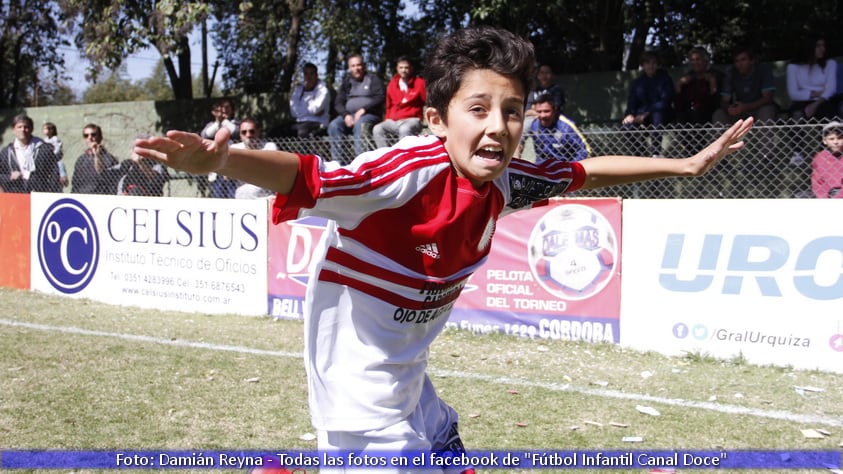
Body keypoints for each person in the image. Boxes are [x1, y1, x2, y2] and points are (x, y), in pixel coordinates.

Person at [134, 25, 753, 474]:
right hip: (360, 403)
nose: (498, 126)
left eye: (512, 111)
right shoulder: (403, 172)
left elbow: (586, 171)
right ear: (436, 119)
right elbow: (310, 175)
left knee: (443, 431)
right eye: (478, 108)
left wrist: (689, 165)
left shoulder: (506, 181)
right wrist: (223, 158)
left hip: (410, 387)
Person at [327, 54, 385, 162]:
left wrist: (364, 109)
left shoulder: (373, 79)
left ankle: (361, 162)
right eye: (353, 66)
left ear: (363, 66)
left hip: (370, 114)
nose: (356, 68)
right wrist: (345, 115)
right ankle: (338, 163)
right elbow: (338, 102)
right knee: (334, 125)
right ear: (349, 68)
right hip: (350, 115)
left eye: (358, 65)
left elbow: (380, 97)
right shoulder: (347, 82)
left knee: (360, 125)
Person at [622, 51, 674, 156]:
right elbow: (632, 101)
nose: (651, 66)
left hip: (662, 114)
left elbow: (665, 101)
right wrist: (630, 114)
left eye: (654, 63)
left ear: (658, 65)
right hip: (641, 114)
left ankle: (656, 153)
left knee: (657, 115)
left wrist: (647, 113)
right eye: (647, 63)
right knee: (627, 127)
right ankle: (642, 155)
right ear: (643, 65)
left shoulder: (665, 79)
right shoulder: (638, 82)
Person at [517, 93, 590, 163]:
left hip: (564, 167)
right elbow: (518, 142)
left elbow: (585, 150)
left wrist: (570, 167)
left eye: (546, 111)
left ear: (555, 110)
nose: (542, 115)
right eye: (539, 112)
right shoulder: (533, 125)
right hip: (542, 167)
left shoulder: (566, 126)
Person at [713, 46, 778, 124]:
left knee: (766, 110)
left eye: (743, 60)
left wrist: (746, 106)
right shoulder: (731, 72)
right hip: (740, 111)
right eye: (737, 61)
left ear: (752, 61)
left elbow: (768, 98)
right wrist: (729, 108)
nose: (740, 64)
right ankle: (718, 136)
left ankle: (764, 136)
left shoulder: (763, 70)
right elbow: (724, 100)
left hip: (760, 108)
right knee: (719, 114)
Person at [373, 56, 426, 149]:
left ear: (411, 68)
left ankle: (404, 157)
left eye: (406, 67)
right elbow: (389, 105)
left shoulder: (420, 83)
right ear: (397, 69)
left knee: (405, 129)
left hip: (412, 120)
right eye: (401, 67)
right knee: (377, 129)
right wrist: (388, 118)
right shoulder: (392, 84)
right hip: (394, 120)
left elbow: (427, 101)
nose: (403, 70)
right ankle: (386, 156)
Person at [0, 114, 62, 193]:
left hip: (38, 194)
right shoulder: (7, 152)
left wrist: (52, 193)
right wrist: (10, 177)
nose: (22, 130)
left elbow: (54, 173)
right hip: (15, 194)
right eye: (19, 127)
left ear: (31, 129)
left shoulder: (44, 149)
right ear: (14, 130)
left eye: (26, 127)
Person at [787, 36, 837, 121]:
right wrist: (815, 93)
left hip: (823, 101)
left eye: (823, 45)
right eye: (818, 46)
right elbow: (793, 94)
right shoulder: (793, 67)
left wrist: (815, 104)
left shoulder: (830, 64)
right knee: (796, 114)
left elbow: (831, 90)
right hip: (802, 102)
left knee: (826, 111)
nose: (822, 48)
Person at [674, 47, 724, 125]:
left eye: (698, 59)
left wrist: (712, 83)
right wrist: (678, 85)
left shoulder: (717, 75)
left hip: (708, 111)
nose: (695, 63)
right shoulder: (688, 77)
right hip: (689, 112)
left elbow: (717, 101)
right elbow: (679, 104)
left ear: (705, 61)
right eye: (692, 60)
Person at [232, 118, 279, 199]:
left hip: (264, 198)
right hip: (241, 197)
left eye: (252, 131)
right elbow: (227, 175)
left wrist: (240, 167)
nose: (248, 135)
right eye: (244, 132)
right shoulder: (234, 148)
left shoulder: (269, 147)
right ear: (240, 134)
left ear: (258, 132)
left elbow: (271, 170)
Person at [71, 123, 121, 194]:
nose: (90, 138)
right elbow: (75, 183)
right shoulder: (81, 160)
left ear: (100, 137)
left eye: (93, 135)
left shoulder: (109, 159)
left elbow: (112, 182)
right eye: (86, 135)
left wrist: (96, 155)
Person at [290, 63, 331, 138]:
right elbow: (293, 112)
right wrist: (307, 112)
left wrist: (308, 91)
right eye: (306, 74)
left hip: (317, 122)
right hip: (299, 122)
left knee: (302, 132)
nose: (308, 77)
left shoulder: (323, 90)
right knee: (277, 132)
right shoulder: (298, 89)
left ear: (316, 75)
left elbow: (314, 110)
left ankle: (305, 150)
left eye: (311, 74)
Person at [811, 121, 843, 199]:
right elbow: (818, 182)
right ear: (825, 141)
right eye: (831, 139)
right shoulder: (820, 158)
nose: (836, 142)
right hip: (829, 195)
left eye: (839, 138)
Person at [42, 122, 68, 188]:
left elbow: (58, 148)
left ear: (52, 130)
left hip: (54, 158)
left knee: (60, 164)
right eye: (44, 129)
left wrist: (52, 155)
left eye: (46, 129)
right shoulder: (45, 140)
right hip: (46, 159)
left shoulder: (55, 139)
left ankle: (63, 177)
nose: (45, 130)